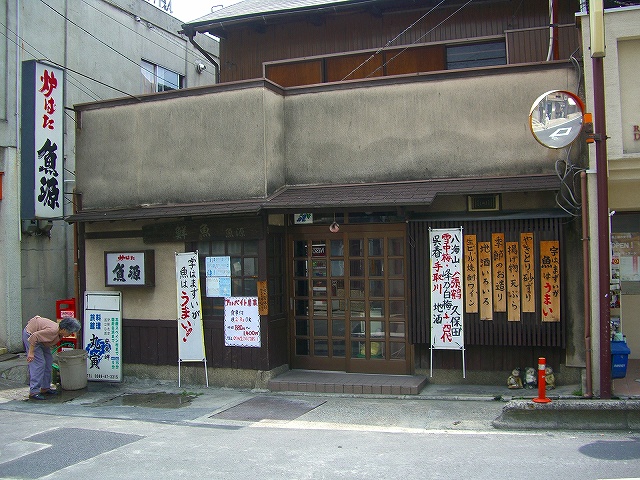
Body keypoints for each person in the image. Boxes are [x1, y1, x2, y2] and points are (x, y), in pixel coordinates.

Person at [23, 315, 81, 400]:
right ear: (64, 329)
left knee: (49, 361)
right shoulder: (53, 331)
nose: (69, 335)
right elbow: (34, 337)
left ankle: (45, 388)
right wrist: (31, 353)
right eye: (70, 332)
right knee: (39, 363)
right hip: (30, 336)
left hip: (40, 339)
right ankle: (34, 391)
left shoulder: (58, 332)